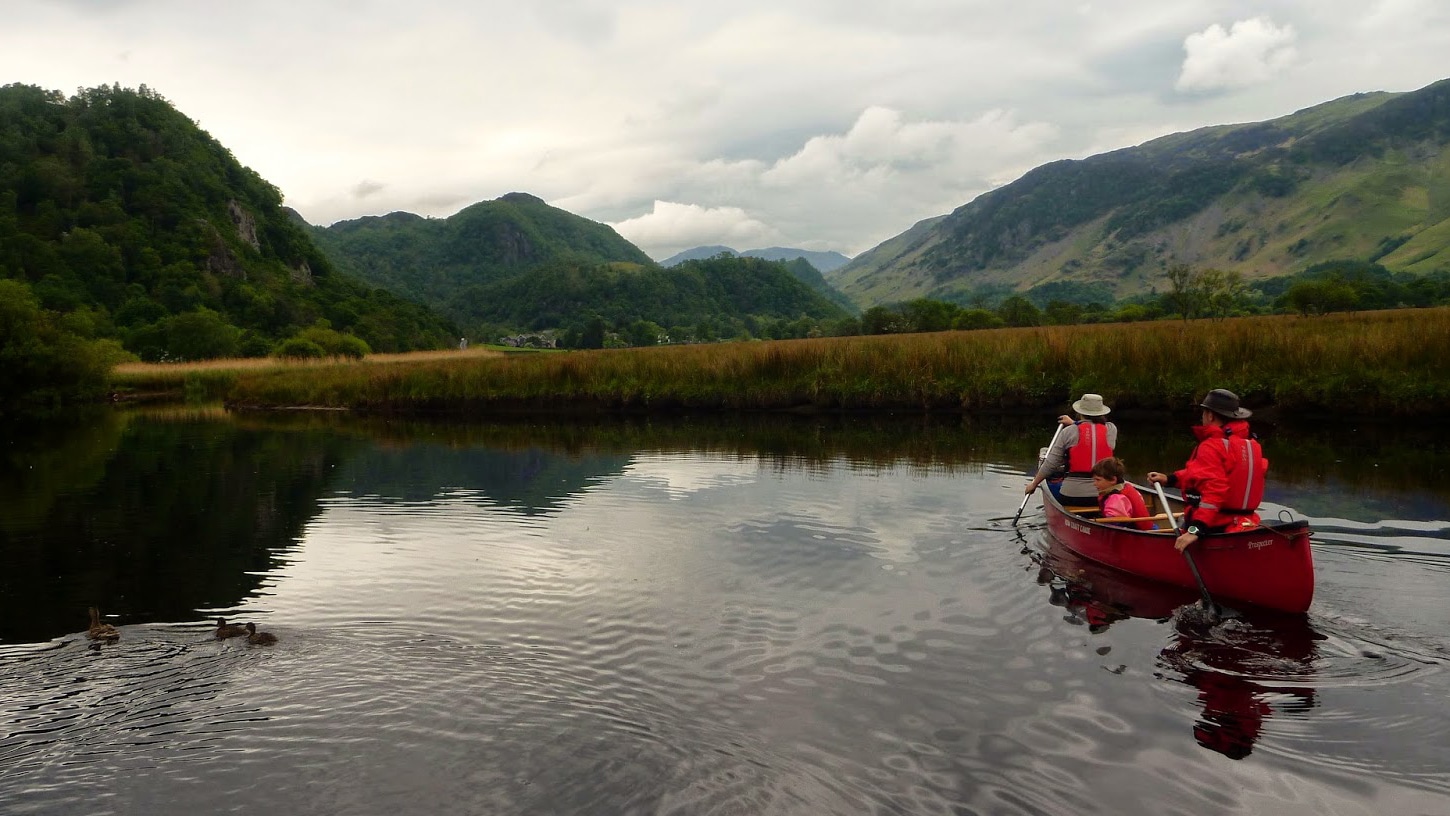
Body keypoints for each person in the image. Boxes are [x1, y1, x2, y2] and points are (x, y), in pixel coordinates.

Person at [1147, 389, 1268, 552]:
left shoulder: (1212, 446)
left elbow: (1214, 489)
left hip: (1214, 525)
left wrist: (1195, 530)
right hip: (1245, 522)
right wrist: (1170, 479)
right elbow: (1203, 475)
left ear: (1210, 415)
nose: (1202, 417)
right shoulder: (1249, 445)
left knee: (1187, 526)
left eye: (1203, 412)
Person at [1024, 393, 1117, 506]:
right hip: (1104, 495)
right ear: (1102, 412)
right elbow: (1092, 430)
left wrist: (1034, 484)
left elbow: (1051, 464)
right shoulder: (1111, 429)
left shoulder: (1068, 432)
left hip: (1073, 496)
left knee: (1052, 485)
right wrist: (1074, 423)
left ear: (1080, 412)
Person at [1091, 457, 1155, 530]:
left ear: (1113, 480)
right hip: (1151, 528)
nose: (1094, 483)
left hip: (1138, 534)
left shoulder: (1115, 498)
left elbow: (1116, 524)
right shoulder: (1126, 487)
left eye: (1098, 480)